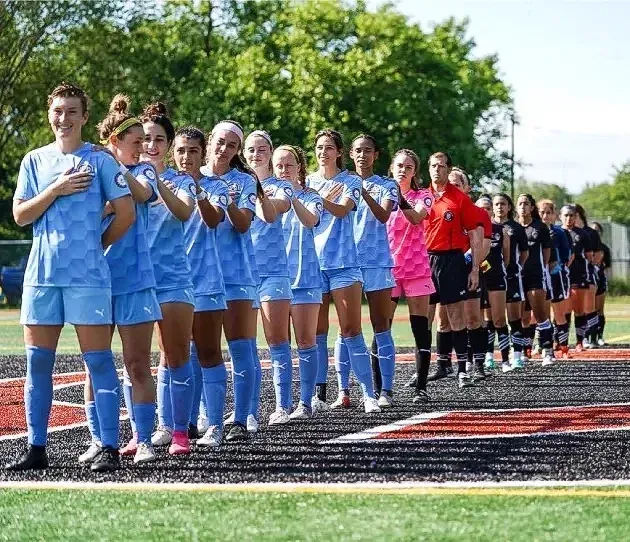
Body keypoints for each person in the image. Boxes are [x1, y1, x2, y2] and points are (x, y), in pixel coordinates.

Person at [7, 83, 135, 472]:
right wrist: (57, 189)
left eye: (72, 112)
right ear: (51, 113)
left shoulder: (100, 161)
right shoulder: (34, 161)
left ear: (84, 117)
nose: (64, 118)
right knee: (37, 365)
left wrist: (97, 247)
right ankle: (36, 448)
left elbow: (125, 212)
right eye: (58, 111)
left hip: (88, 278)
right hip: (42, 277)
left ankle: (109, 448)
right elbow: (21, 215)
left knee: (98, 362)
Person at [80, 94, 163, 467]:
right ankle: (99, 439)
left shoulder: (143, 171)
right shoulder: (94, 171)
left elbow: (142, 194)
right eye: (135, 143)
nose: (143, 148)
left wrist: (114, 171)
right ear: (116, 142)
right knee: (94, 365)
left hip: (134, 280)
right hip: (98, 280)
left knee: (136, 363)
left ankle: (142, 439)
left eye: (144, 143)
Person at [200, 120, 265, 441]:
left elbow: (243, 225)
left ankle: (242, 417)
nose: (224, 149)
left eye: (232, 145)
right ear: (210, 141)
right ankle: (205, 414)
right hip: (199, 276)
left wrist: (227, 202)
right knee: (202, 349)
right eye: (220, 142)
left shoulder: (244, 181)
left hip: (236, 274)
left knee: (240, 347)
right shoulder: (193, 176)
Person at [308, 129, 380, 413]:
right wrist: (314, 195)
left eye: (328, 147)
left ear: (339, 152)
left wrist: (318, 198)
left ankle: (369, 394)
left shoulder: (350, 180)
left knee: (350, 329)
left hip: (344, 264)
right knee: (317, 332)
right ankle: (318, 396)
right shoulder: (308, 181)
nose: (323, 152)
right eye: (318, 147)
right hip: (313, 264)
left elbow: (342, 210)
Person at [141, 106, 198, 454]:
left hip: (174, 277)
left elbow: (184, 211)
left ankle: (180, 432)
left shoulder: (182, 180)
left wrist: (155, 179)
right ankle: (152, 430)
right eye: (145, 138)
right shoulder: (124, 177)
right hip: (135, 278)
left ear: (168, 143)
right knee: (139, 360)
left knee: (176, 355)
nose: (151, 144)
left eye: (159, 139)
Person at [173, 127, 232, 448]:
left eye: (193, 151)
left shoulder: (215, 186)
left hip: (207, 280)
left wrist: (196, 192)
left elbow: (213, 220)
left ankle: (216, 425)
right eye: (181, 150)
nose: (186, 157)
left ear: (202, 152)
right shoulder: (166, 183)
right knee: (174, 356)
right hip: (171, 282)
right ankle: (177, 425)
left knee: (208, 351)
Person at [244, 130, 295, 425]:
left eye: (262, 149)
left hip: (273, 272)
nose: (256, 154)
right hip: (242, 273)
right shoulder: (236, 183)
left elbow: (271, 213)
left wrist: (254, 189)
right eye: (251, 149)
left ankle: (281, 406)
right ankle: (248, 412)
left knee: (277, 341)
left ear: (271, 152)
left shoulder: (281, 187)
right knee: (246, 344)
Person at [423, 152, 483, 389]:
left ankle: (461, 371)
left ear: (448, 169)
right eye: (433, 165)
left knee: (456, 318)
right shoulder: (421, 196)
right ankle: (423, 372)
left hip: (452, 260)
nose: (437, 169)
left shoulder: (459, 198)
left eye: (442, 166)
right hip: (425, 261)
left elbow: (475, 237)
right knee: (424, 320)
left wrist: (475, 269)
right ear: (428, 169)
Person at [348, 135, 398, 408]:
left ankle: (386, 390)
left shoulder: (386, 184)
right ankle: (343, 390)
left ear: (375, 155)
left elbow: (383, 216)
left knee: (381, 324)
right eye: (358, 151)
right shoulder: (340, 183)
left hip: (377, 260)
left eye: (368, 150)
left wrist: (362, 190)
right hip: (346, 262)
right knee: (348, 327)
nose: (363, 155)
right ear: (350, 154)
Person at [276, 145, 323, 418]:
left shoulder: (310, 196)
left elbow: (311, 220)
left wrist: (291, 197)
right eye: (279, 165)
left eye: (289, 165)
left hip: (305, 277)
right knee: (279, 343)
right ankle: (282, 405)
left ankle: (305, 402)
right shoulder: (266, 195)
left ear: (299, 168)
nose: (284, 170)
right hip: (275, 279)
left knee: (305, 340)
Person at [385, 149, 435, 402]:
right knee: (383, 327)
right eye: (399, 166)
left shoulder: (424, 196)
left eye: (408, 167)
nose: (403, 170)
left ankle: (421, 388)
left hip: (416, 268)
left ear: (415, 172)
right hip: (388, 270)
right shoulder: (381, 197)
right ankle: (383, 390)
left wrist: (398, 198)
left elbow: (416, 218)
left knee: (420, 328)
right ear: (391, 168)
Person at [447, 167, 492, 380]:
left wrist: (468, 262)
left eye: (457, 184)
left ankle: (479, 364)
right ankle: (448, 365)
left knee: (474, 318)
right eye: (450, 184)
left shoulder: (479, 213)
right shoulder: (441, 209)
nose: (452, 188)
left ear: (467, 188)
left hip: (470, 269)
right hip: (447, 271)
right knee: (446, 319)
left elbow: (484, 245)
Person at [516, 194, 555, 366]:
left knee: (540, 315)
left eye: (526, 204)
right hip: (517, 277)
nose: (523, 206)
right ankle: (524, 351)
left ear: (532, 207)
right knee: (522, 317)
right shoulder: (513, 227)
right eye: (520, 204)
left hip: (536, 276)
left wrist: (541, 269)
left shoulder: (540, 227)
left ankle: (548, 351)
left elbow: (547, 253)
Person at [492, 193, 529, 368]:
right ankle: (500, 358)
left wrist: (515, 267)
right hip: (493, 279)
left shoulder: (517, 228)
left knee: (515, 318)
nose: (500, 207)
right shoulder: (487, 227)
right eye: (497, 204)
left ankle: (517, 356)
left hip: (513, 277)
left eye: (503, 204)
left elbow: (524, 252)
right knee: (496, 320)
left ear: (509, 207)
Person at [475, 196, 511, 372]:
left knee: (498, 319)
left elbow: (507, 258)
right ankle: (485, 357)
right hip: (477, 279)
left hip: (496, 278)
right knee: (481, 321)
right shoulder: (471, 229)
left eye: (488, 208)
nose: (484, 211)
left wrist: (493, 267)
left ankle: (505, 360)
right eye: (481, 208)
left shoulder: (500, 230)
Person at [538, 199, 572, 359]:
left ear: (554, 215)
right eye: (542, 212)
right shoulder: (534, 230)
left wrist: (556, 266)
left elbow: (567, 255)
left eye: (548, 212)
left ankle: (563, 345)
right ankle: (540, 345)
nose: (545, 215)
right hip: (537, 277)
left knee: (558, 312)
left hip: (556, 277)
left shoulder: (559, 233)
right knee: (536, 313)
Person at [561, 204, 593, 352]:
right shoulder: (556, 232)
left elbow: (589, 256)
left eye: (571, 215)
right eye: (566, 215)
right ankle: (562, 342)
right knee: (563, 310)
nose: (568, 218)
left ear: (576, 217)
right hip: (560, 277)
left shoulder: (583, 234)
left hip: (578, 275)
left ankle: (580, 341)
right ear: (560, 216)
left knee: (579, 310)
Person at [575, 204, 603, 349]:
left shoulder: (590, 233)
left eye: (575, 214)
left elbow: (598, 254)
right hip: (570, 276)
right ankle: (572, 340)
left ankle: (591, 337)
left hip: (587, 275)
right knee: (572, 309)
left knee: (589, 307)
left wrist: (590, 266)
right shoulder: (565, 232)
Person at [591, 221, 611, 346]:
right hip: (588, 281)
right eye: (593, 230)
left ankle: (599, 336)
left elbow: (607, 266)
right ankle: (587, 337)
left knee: (599, 310)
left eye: (597, 230)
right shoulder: (585, 244)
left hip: (600, 280)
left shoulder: (604, 248)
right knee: (588, 310)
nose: (595, 232)